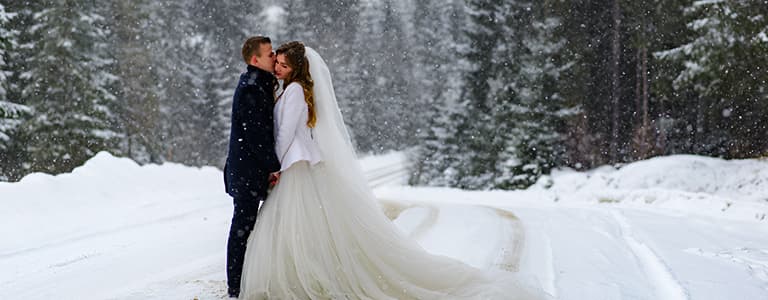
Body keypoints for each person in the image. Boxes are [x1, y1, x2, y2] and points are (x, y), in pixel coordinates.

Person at [239, 41, 547, 299]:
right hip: (298, 166)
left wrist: (274, 167)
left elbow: (285, 134)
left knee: (294, 226)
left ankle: (301, 277)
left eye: (283, 64)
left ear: (296, 68)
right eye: (276, 62)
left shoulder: (293, 93)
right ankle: (310, 273)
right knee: (304, 227)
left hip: (294, 167)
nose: (277, 68)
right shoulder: (293, 89)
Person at [223, 36, 281, 298]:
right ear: (255, 59)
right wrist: (274, 166)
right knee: (242, 228)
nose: (274, 56)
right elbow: (256, 135)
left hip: (249, 169)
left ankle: (247, 278)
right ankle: (236, 286)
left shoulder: (260, 83)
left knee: (248, 225)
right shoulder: (251, 87)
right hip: (247, 171)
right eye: (269, 54)